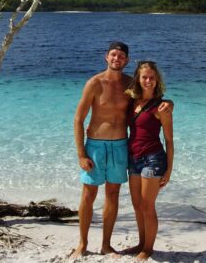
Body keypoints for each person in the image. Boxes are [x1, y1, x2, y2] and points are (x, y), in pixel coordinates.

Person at [71, 42, 171, 258]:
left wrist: (169, 104)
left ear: (126, 60)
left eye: (122, 56)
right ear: (106, 57)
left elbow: (150, 99)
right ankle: (82, 244)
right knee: (88, 195)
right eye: (113, 55)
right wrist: (81, 154)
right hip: (95, 146)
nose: (117, 59)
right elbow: (78, 119)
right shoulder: (94, 83)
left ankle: (106, 245)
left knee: (113, 195)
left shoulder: (130, 85)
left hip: (120, 146)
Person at [123, 60, 174, 260]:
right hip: (133, 157)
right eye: (144, 77)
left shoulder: (161, 107)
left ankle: (148, 248)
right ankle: (141, 243)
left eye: (152, 77)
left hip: (152, 160)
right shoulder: (132, 101)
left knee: (147, 205)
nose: (148, 81)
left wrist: (168, 170)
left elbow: (169, 141)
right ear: (138, 78)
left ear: (157, 80)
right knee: (137, 205)